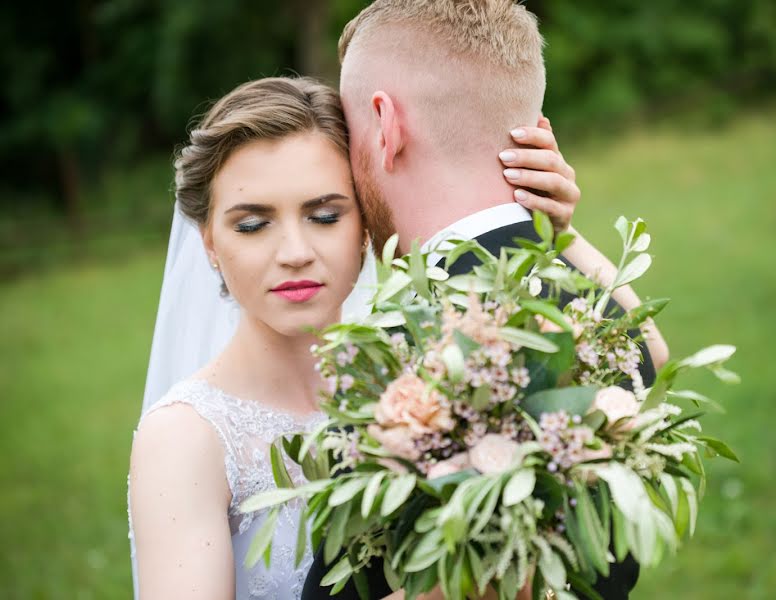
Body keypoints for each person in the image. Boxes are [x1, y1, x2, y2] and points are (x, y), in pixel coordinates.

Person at [128, 74, 643, 599]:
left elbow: (645, 358)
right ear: (209, 241)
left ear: (367, 223)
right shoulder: (186, 439)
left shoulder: (429, 374)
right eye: (253, 224)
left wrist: (557, 231)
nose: (294, 251)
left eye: (324, 215)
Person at [301, 1, 667, 598]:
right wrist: (562, 235)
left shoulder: (394, 368)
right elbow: (656, 350)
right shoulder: (614, 327)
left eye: (347, 132)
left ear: (384, 124)